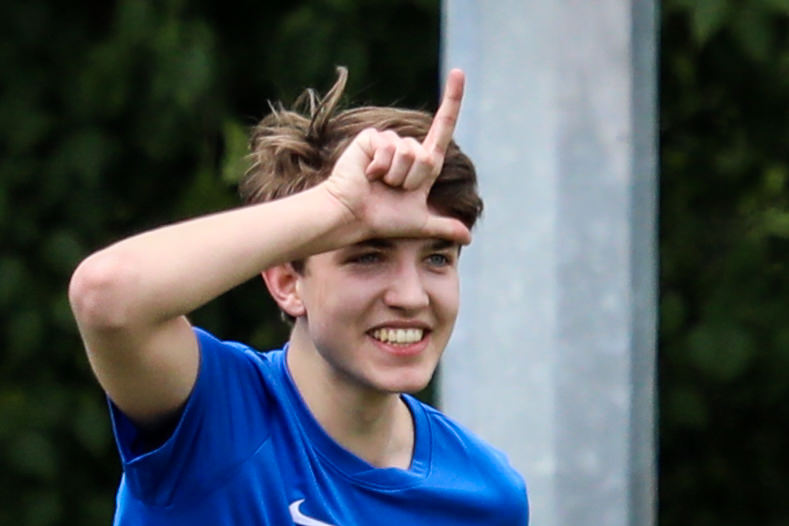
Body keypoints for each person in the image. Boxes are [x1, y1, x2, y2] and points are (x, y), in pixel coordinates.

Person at [69, 66, 528, 525]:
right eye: (369, 256)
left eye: (437, 258)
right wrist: (337, 207)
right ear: (287, 283)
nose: (412, 297)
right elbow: (106, 296)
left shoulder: (488, 495)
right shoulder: (217, 415)